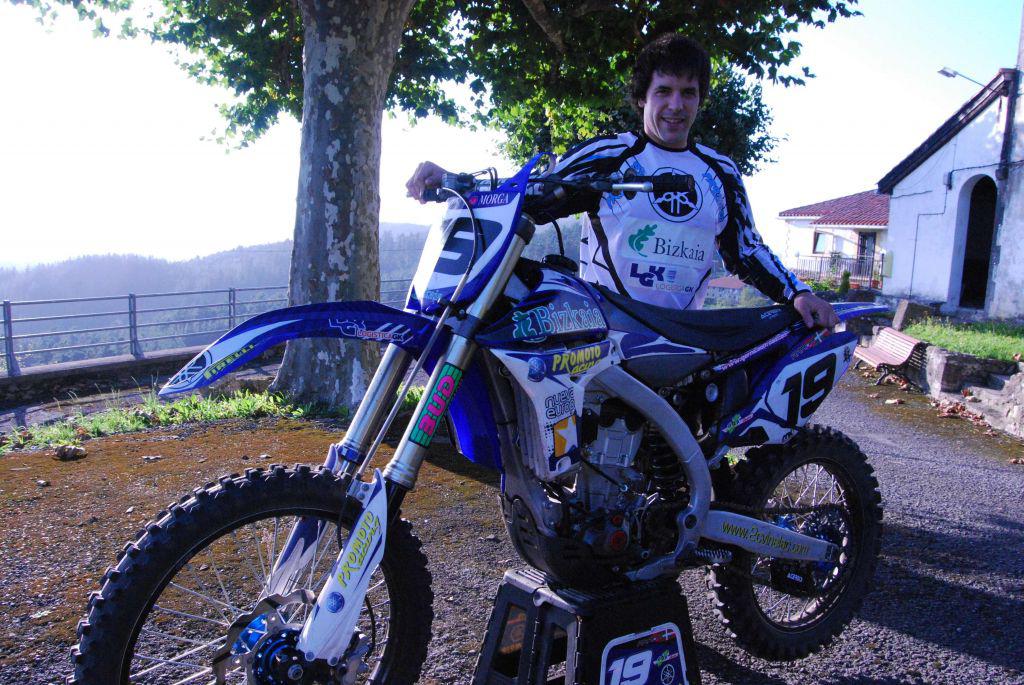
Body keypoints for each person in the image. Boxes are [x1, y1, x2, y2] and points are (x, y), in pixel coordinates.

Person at [406, 33, 838, 330]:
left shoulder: (721, 172)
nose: (676, 105)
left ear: (700, 100)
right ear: (642, 97)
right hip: (599, 331)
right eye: (663, 91)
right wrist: (457, 181)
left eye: (688, 93)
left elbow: (745, 250)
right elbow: (533, 193)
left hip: (681, 341)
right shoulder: (610, 155)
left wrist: (797, 294)